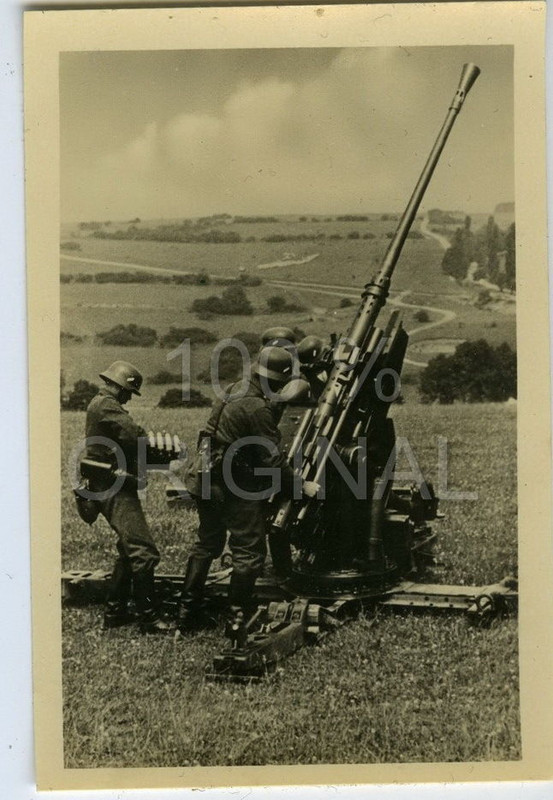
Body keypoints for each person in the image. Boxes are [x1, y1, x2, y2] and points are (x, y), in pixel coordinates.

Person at [177, 347, 319, 633]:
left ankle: (186, 613)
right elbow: (273, 461)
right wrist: (301, 485)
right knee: (249, 550)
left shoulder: (232, 390)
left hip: (205, 477)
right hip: (233, 485)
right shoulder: (257, 408)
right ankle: (237, 619)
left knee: (207, 544)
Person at [84, 360, 173, 635]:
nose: (128, 399)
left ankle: (115, 612)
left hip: (110, 482)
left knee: (127, 549)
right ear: (121, 387)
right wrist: (160, 449)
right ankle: (149, 618)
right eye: (128, 393)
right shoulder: (107, 405)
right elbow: (132, 435)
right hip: (111, 485)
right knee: (143, 552)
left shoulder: (102, 404)